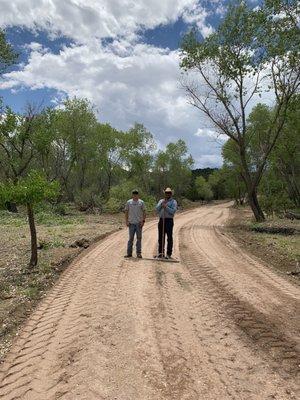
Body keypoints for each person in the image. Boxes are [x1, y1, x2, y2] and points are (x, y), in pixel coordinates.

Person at [156, 188, 177, 259]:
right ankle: (161, 252)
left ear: (171, 194)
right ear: (165, 193)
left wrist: (166, 207)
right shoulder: (161, 201)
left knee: (169, 237)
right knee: (161, 237)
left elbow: (173, 211)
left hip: (169, 221)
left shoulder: (173, 202)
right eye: (166, 193)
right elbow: (156, 209)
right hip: (161, 220)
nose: (167, 194)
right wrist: (161, 205)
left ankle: (168, 254)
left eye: (169, 193)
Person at [124, 189, 146, 258]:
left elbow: (144, 212)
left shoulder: (141, 202)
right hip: (131, 223)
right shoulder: (129, 202)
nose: (135, 195)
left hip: (139, 223)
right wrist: (126, 221)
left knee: (139, 238)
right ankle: (129, 253)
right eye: (134, 194)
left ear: (138, 195)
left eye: (136, 194)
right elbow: (126, 212)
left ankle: (138, 253)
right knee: (131, 239)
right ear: (132, 195)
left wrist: (143, 221)